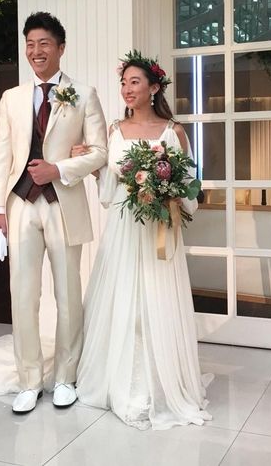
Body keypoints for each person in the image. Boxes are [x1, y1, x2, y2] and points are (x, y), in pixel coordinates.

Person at [72, 51, 211, 430]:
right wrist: (89, 162)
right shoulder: (114, 130)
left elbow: (189, 185)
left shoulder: (173, 131)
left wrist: (168, 191)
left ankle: (158, 383)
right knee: (121, 297)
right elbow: (108, 182)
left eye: (134, 82)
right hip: (123, 225)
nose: (126, 89)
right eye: (123, 83)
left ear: (153, 88)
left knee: (156, 299)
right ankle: (117, 380)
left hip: (157, 228)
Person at [0, 12, 107, 414]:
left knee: (68, 293)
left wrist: (59, 169)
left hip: (63, 203)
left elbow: (100, 152)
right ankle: (28, 380)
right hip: (20, 204)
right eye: (30, 44)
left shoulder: (84, 94)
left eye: (43, 44)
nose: (36, 51)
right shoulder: (12, 98)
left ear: (60, 48)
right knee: (22, 293)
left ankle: (65, 377)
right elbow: (1, 156)